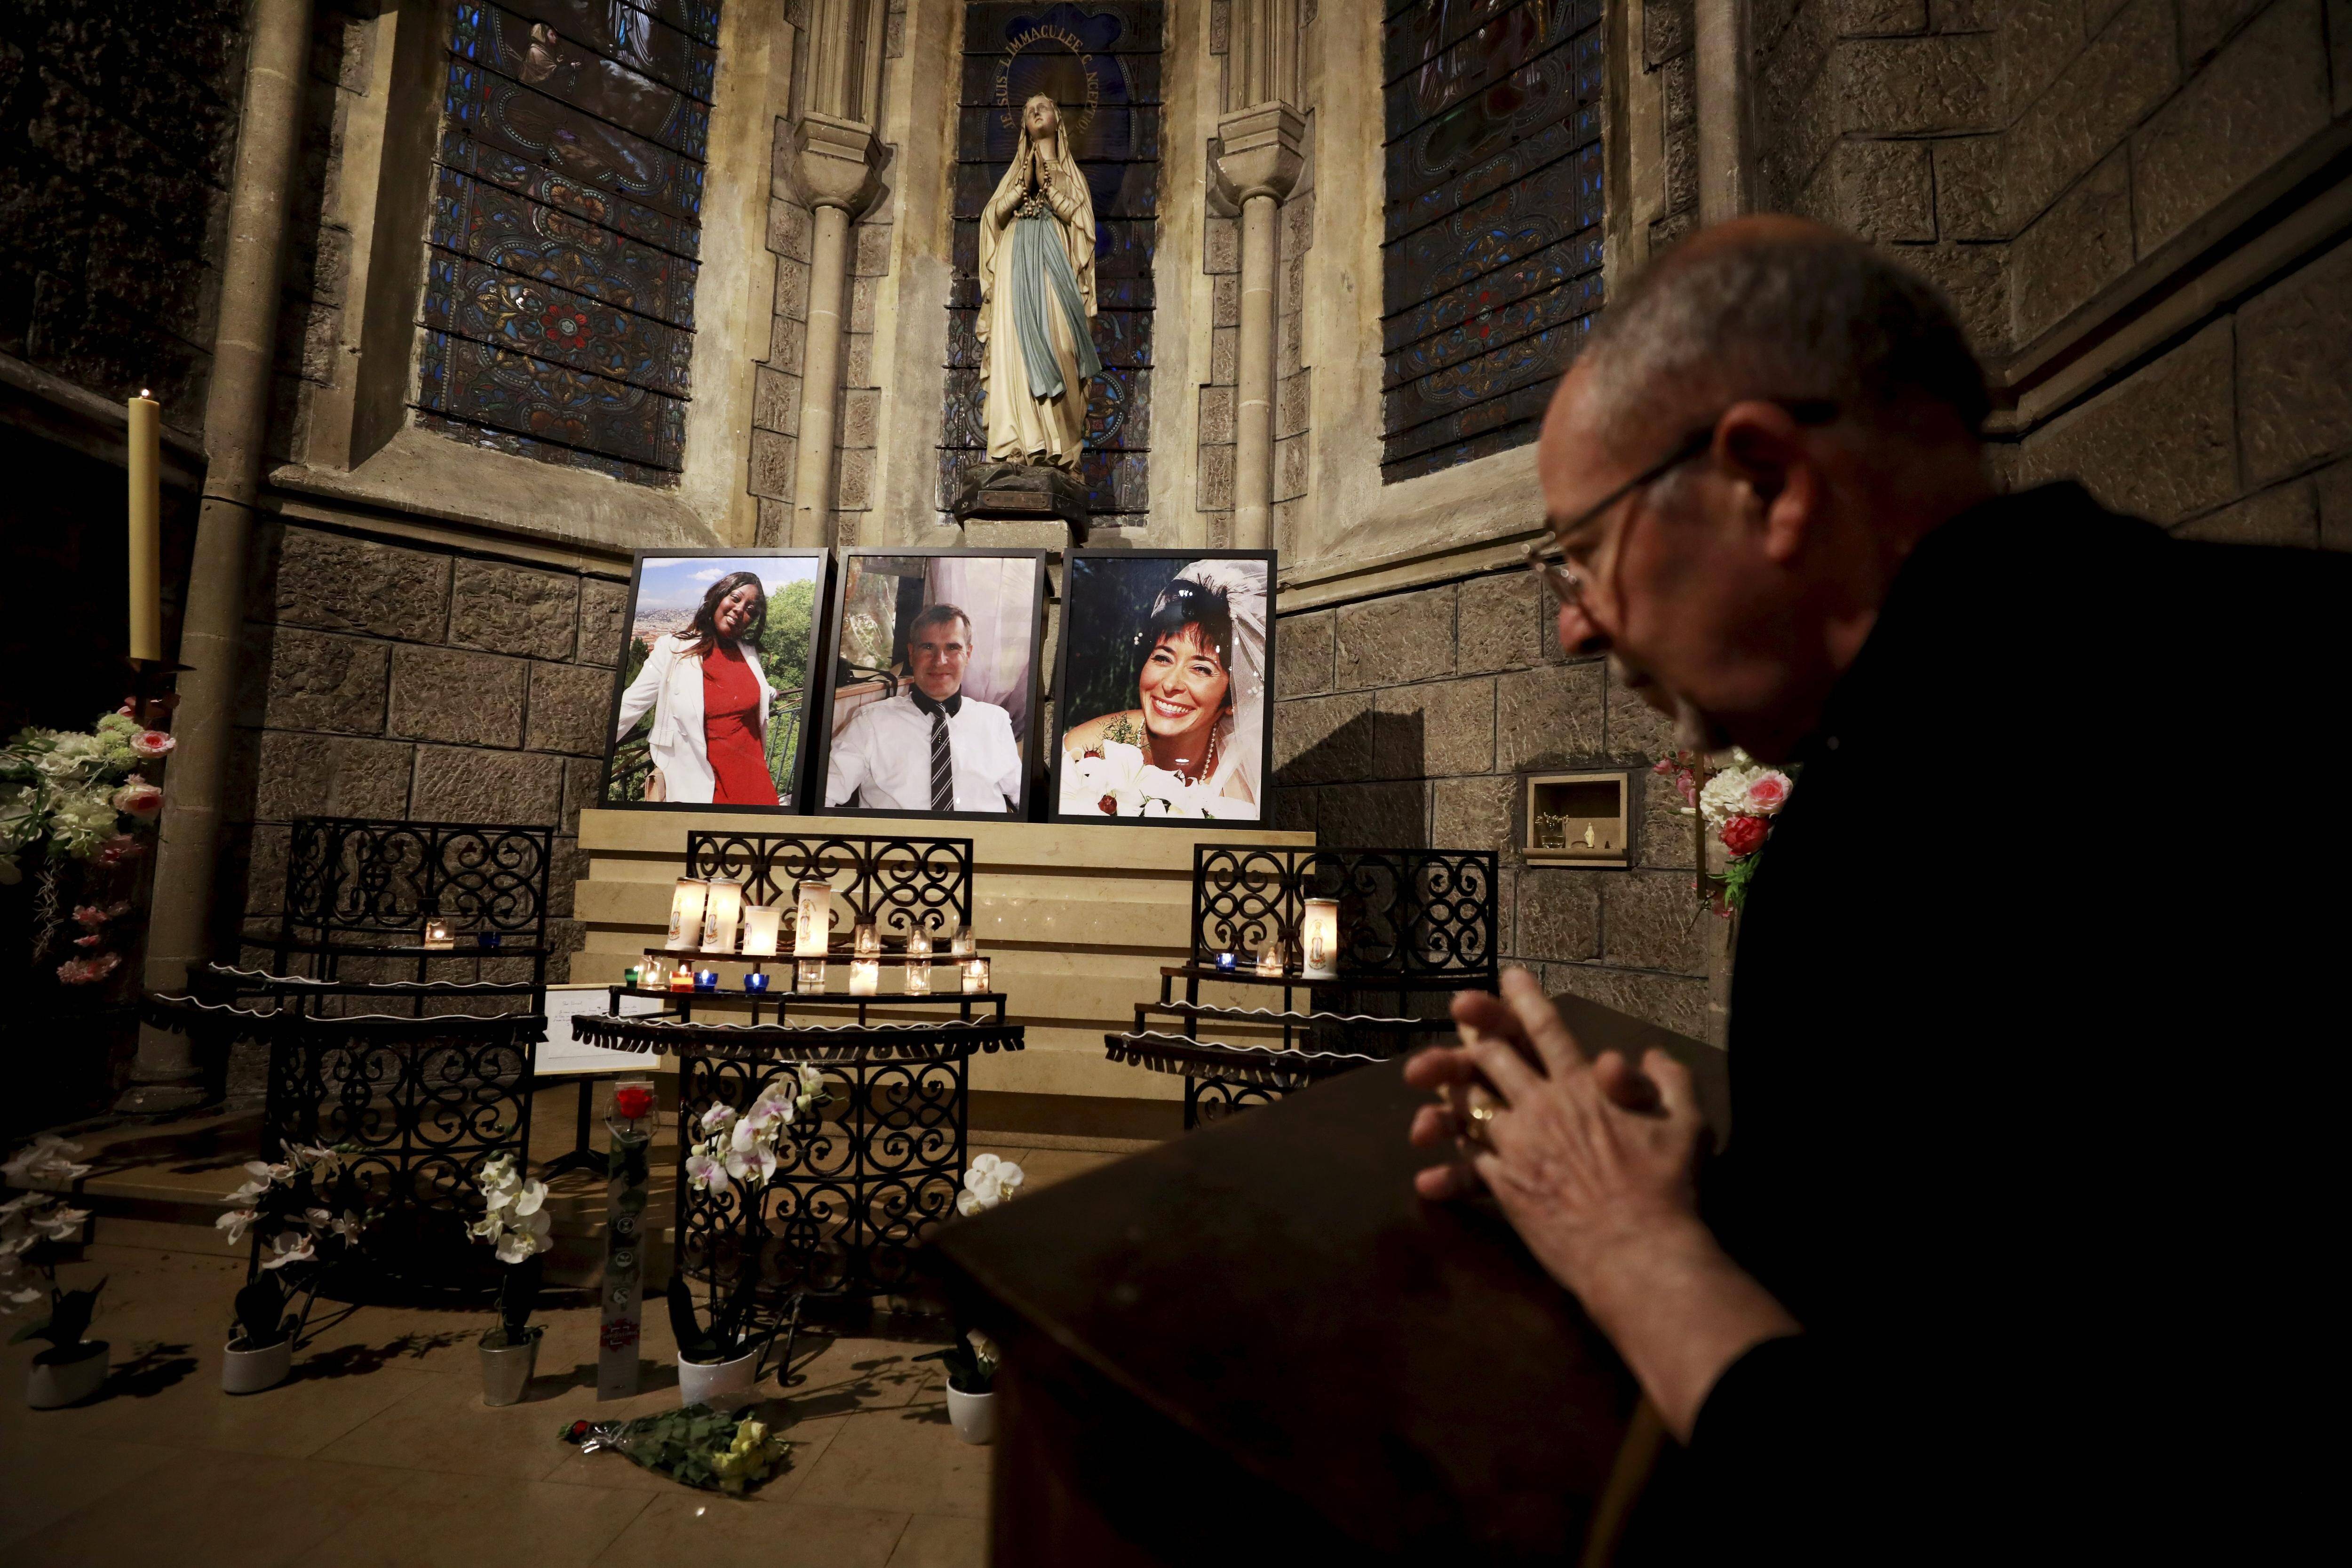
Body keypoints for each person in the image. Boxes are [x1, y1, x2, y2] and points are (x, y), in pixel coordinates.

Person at [1403, 218, 2342, 1558]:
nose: (1573, 619)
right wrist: (1720, 1201)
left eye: (1584, 550)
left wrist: (1624, 1241)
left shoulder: (1881, 849)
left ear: (1765, 481)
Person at [1059, 561, 1266, 817]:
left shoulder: (1246, 778)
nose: (1169, 684)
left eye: (1201, 669)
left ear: (1234, 698)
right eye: (1162, 658)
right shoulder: (1088, 748)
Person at [977, 93, 1101, 468]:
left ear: (1058, 119)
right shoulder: (1013, 174)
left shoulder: (1072, 175)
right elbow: (992, 220)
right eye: (1028, 108)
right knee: (1013, 344)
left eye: (1043, 106)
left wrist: (1048, 183)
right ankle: (1015, 444)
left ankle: (1058, 447)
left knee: (1058, 342)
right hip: (1016, 259)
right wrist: (1021, 188)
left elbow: (1082, 223)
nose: (1034, 110)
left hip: (1055, 266)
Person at [825, 604, 1023, 813]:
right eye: (928, 647)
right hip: (900, 845)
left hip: (983, 844)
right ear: (912, 654)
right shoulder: (869, 723)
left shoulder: (995, 721)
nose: (940, 661)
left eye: (953, 648)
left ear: (968, 654)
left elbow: (1025, 798)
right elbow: (821, 796)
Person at [613, 571, 781, 805]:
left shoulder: (749, 653)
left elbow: (751, 690)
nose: (741, 610)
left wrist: (770, 693)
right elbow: (630, 706)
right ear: (717, 596)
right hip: (699, 786)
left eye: (751, 610)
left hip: (753, 780)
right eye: (735, 598)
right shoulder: (673, 650)